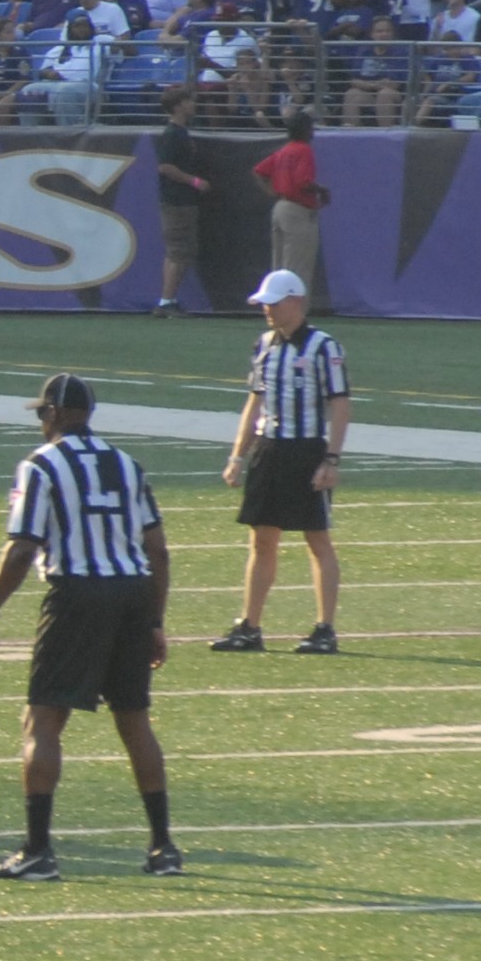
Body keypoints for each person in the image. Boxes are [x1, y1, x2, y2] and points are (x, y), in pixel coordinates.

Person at [0, 372, 178, 879]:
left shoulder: (40, 466)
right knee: (134, 719)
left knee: (42, 720)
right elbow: (157, 549)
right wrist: (154, 618)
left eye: (43, 413)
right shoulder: (126, 464)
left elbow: (21, 548)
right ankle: (163, 847)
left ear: (55, 415)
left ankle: (38, 851)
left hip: (78, 593)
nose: (41, 422)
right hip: (132, 591)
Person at [214, 269, 348, 657]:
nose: (267, 310)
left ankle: (325, 628)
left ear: (296, 301)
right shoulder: (264, 345)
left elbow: (340, 404)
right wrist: (238, 454)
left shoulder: (324, 347)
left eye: (274, 303)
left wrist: (331, 458)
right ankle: (249, 626)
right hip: (270, 449)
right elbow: (254, 403)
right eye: (264, 304)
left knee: (316, 538)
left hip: (307, 449)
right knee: (261, 538)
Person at [253, 110, 328, 302]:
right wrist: (322, 190)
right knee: (297, 270)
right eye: (310, 126)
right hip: (298, 210)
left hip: (280, 207)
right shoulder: (303, 149)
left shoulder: (285, 150)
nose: (313, 130)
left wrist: (271, 191)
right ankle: (295, 318)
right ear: (304, 129)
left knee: (279, 270)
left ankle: (275, 311)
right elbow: (303, 181)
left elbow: (259, 171)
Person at [151, 94, 214, 314]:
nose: (193, 104)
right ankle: (166, 301)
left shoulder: (181, 133)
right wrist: (194, 181)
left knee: (179, 251)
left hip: (182, 200)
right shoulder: (172, 134)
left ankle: (168, 300)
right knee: (178, 251)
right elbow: (165, 166)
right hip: (176, 201)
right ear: (178, 106)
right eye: (188, 101)